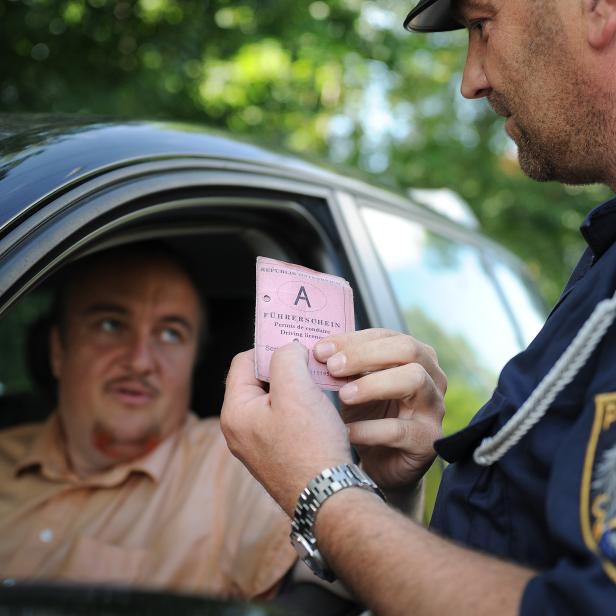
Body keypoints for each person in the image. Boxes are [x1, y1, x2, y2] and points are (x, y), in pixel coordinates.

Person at [220, 0, 616, 613]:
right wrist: (388, 495)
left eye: (482, 25)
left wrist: (324, 489)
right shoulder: (601, 266)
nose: (470, 80)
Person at [0, 243, 297, 599]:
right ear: (57, 350)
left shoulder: (240, 464)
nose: (141, 361)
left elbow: (342, 567)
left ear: (193, 362)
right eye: (111, 325)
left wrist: (375, 490)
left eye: (171, 333)